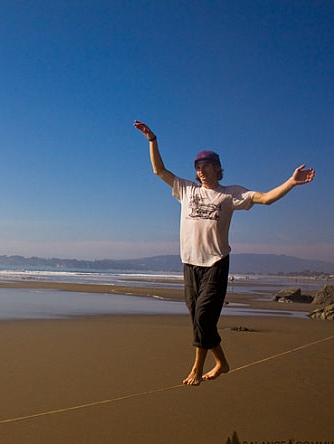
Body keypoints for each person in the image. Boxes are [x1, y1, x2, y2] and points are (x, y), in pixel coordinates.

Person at [133, 120, 315, 386]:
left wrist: (290, 182)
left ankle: (197, 368)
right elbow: (159, 170)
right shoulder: (187, 190)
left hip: (216, 263)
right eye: (197, 167)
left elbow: (265, 198)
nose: (201, 170)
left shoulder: (230, 194)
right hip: (189, 264)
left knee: (203, 317)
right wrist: (152, 140)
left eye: (206, 166)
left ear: (218, 168)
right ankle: (222, 362)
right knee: (199, 320)